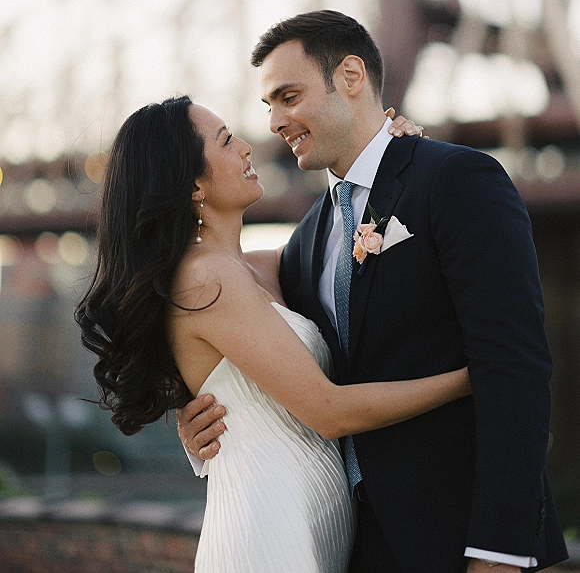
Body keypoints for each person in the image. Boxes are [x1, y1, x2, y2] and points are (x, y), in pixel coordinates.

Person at [178, 10, 568, 573]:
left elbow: (517, 368)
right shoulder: (310, 236)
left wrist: (499, 551)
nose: (275, 122)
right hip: (350, 543)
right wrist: (200, 408)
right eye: (269, 106)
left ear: (352, 76)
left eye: (289, 96)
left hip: (463, 542)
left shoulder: (457, 180)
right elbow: (219, 315)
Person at [75, 94, 471, 573]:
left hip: (307, 520)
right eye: (225, 140)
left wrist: (384, 154)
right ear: (193, 185)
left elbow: (345, 231)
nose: (247, 147)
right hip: (268, 529)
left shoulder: (255, 268)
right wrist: (470, 378)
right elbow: (328, 411)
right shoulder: (207, 279)